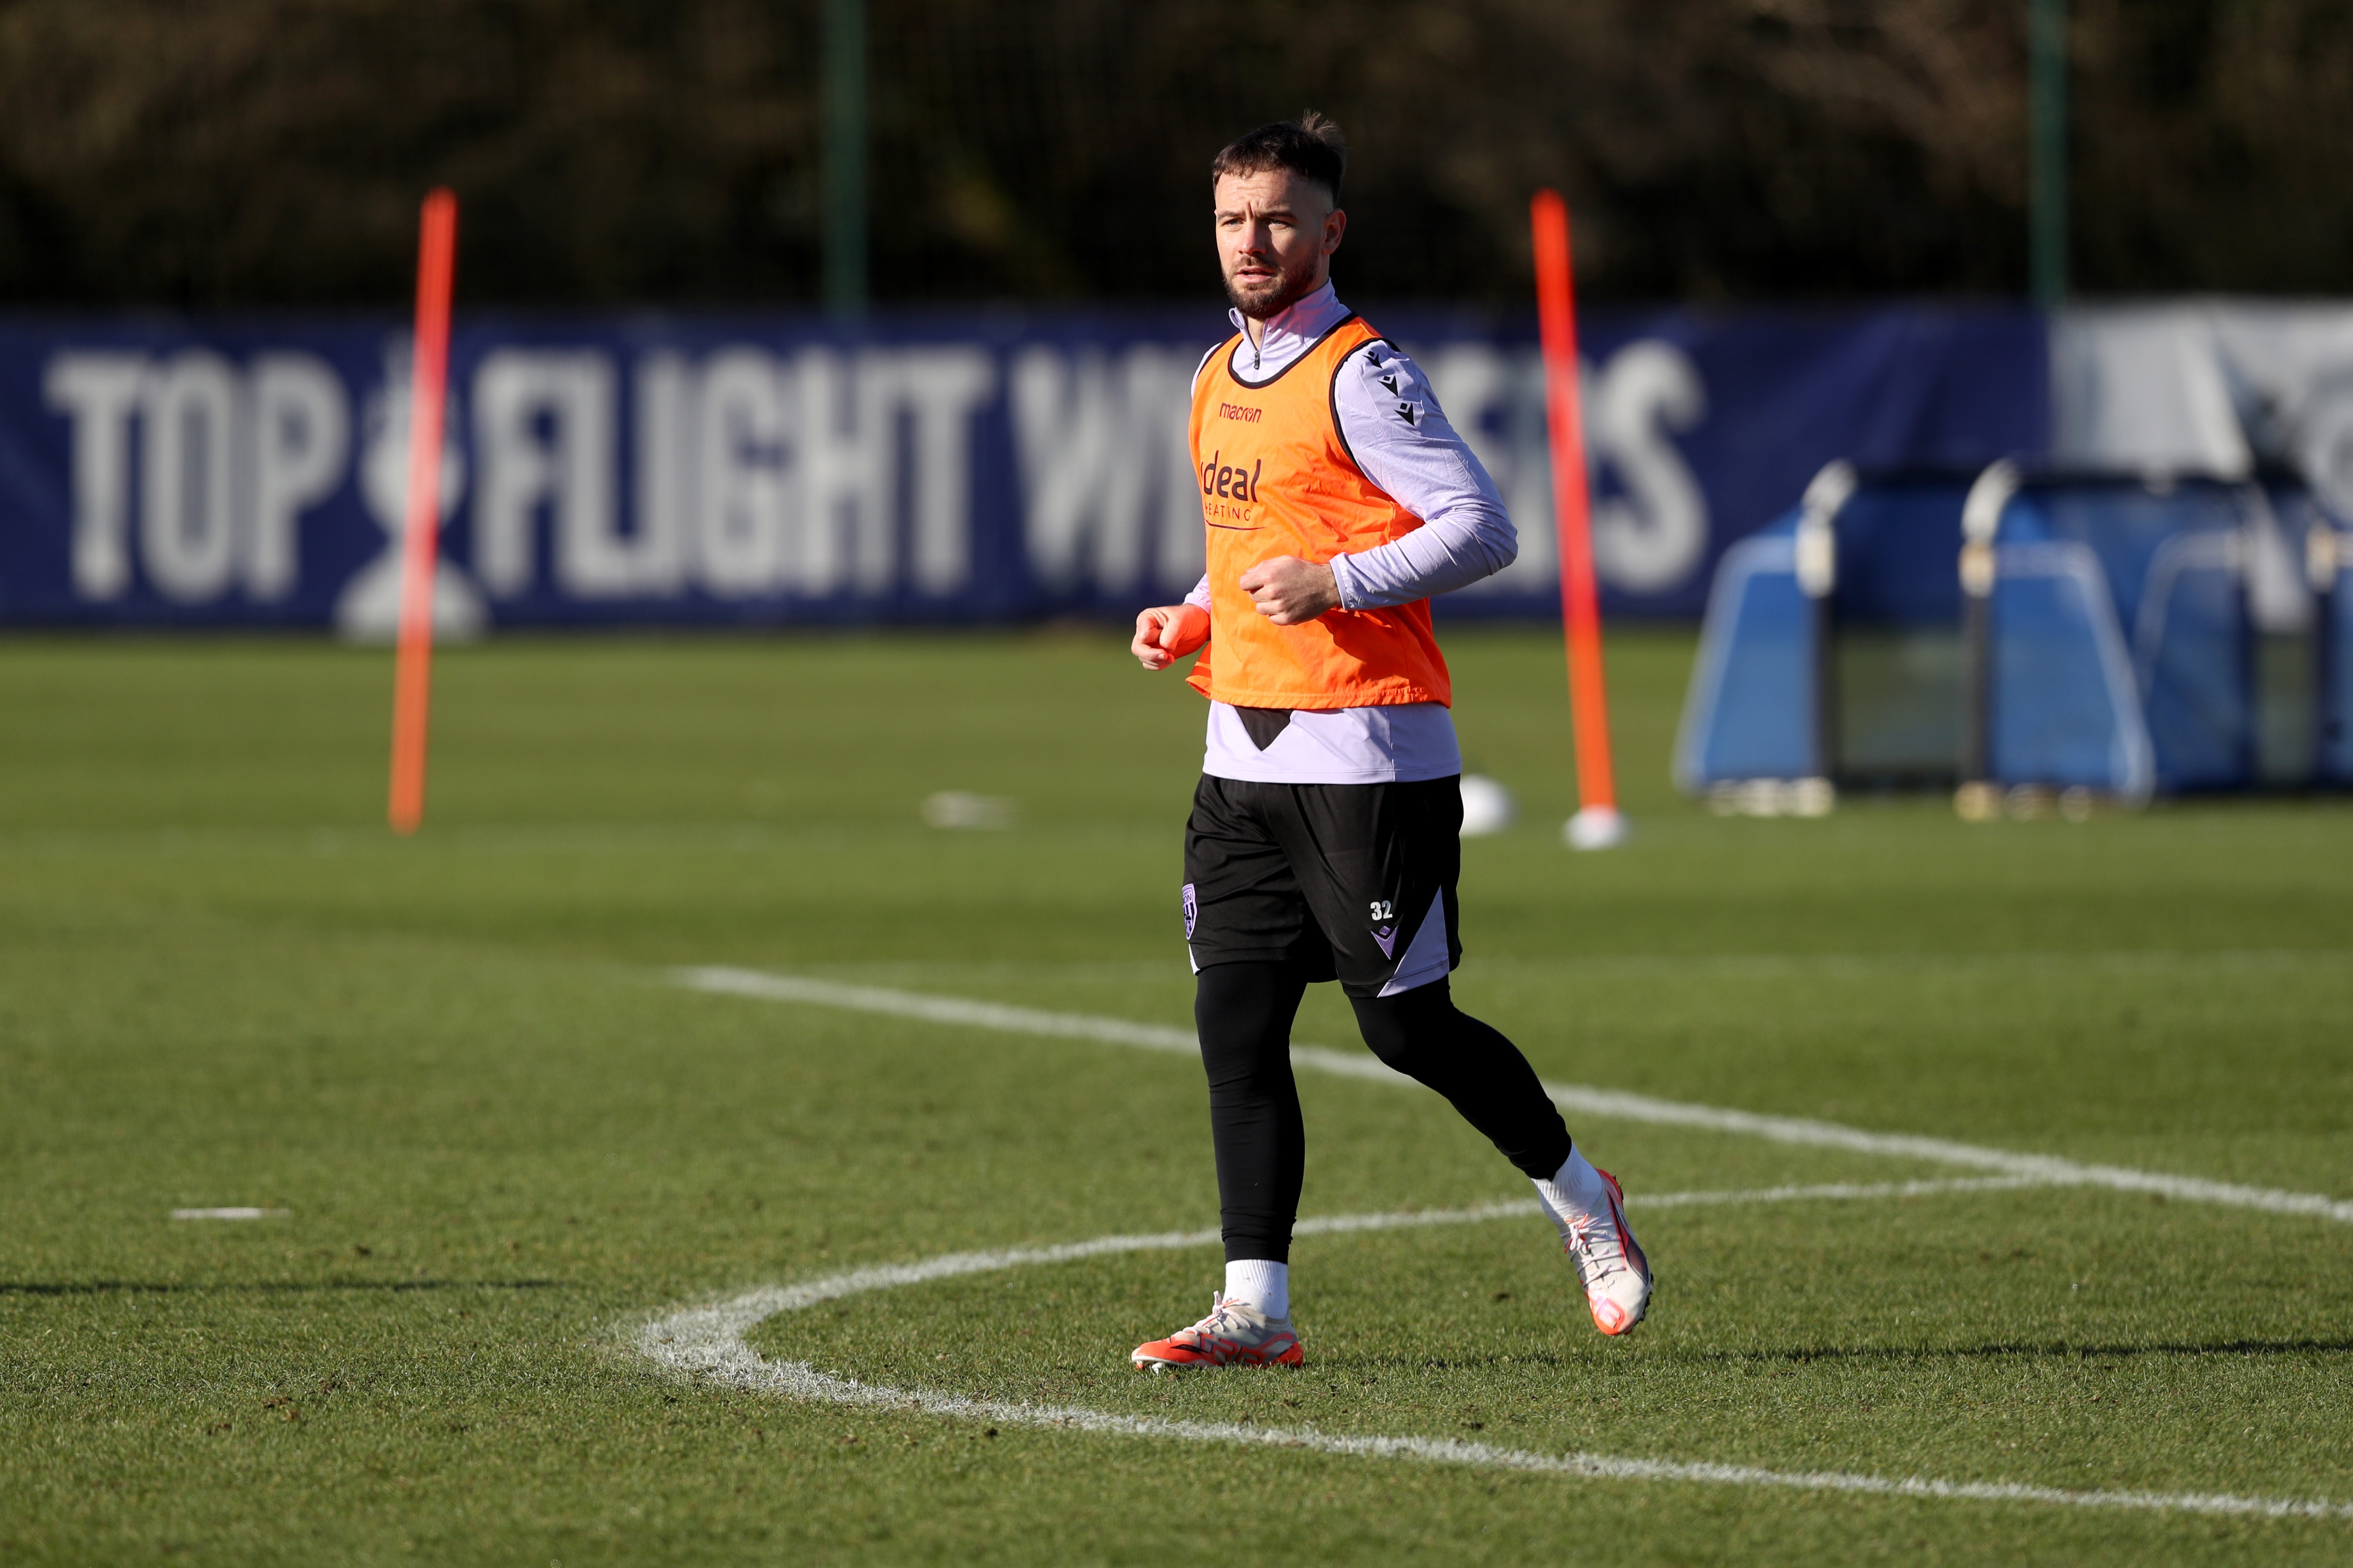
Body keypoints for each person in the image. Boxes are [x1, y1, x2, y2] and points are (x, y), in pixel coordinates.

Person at [1127, 113, 1651, 1371]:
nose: (1253, 242)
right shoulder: (1213, 373)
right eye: (1233, 220)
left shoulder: (1363, 372)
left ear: (1329, 230)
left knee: (1406, 1029)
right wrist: (1192, 616)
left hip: (1368, 754)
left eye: (1278, 219)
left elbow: (1482, 527)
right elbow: (1249, 552)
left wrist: (1343, 584)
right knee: (1235, 1028)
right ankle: (1255, 1311)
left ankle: (1585, 1199)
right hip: (1240, 758)